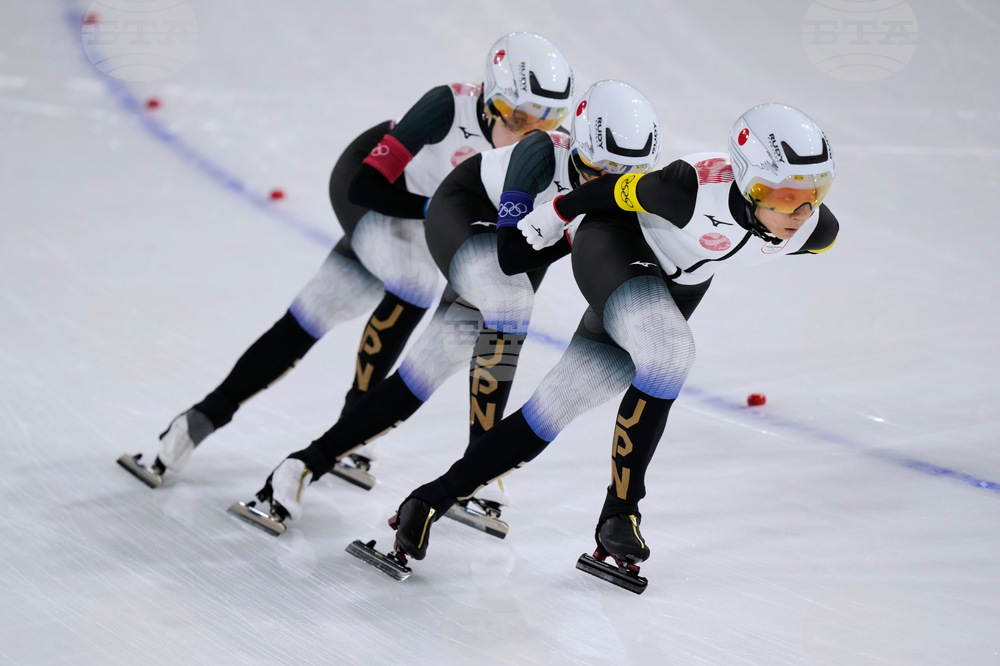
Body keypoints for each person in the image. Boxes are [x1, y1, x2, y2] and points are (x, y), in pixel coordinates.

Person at [360, 103, 840, 592]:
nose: (802, 212)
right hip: (614, 243)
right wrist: (552, 215)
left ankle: (428, 501)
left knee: (557, 405)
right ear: (747, 182)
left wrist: (796, 206)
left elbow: (797, 221)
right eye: (784, 196)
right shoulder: (686, 187)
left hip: (675, 287)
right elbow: (608, 190)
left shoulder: (815, 230)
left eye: (814, 195)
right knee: (670, 353)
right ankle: (621, 514)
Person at [117, 32, 575, 489]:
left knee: (319, 310)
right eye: (519, 118)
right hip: (378, 196)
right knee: (412, 284)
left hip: (433, 218)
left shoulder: (547, 155)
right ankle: (350, 418)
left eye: (545, 122)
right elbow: (364, 187)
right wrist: (436, 210)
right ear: (492, 101)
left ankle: (196, 421)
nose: (528, 135)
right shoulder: (447, 106)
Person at [228, 80, 662, 536]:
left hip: (518, 250)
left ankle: (300, 466)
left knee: (428, 368)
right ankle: (479, 467)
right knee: (512, 300)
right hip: (465, 211)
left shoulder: (622, 186)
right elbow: (512, 255)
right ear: (577, 150)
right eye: (596, 171)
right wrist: (571, 212)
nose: (606, 186)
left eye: (623, 178)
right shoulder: (539, 152)